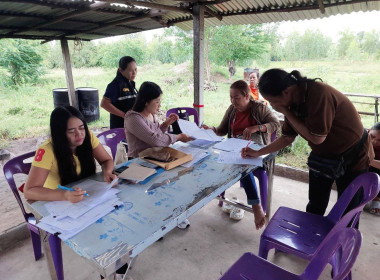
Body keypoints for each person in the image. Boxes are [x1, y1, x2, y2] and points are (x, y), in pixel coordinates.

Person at [242, 68, 372, 219]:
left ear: (286, 92)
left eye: (274, 101)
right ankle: (311, 238)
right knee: (315, 206)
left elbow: (317, 138)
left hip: (353, 153)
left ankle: (343, 241)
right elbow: (287, 137)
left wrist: (286, 112)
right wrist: (258, 152)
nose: (274, 106)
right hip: (323, 155)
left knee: (347, 211)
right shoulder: (291, 101)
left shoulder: (318, 94)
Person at [202, 80, 280, 229]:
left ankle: (256, 206)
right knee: (220, 159)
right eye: (231, 97)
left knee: (242, 163)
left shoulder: (258, 109)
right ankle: (213, 195)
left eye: (236, 97)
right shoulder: (232, 110)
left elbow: (275, 124)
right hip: (234, 150)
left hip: (258, 152)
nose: (233, 101)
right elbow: (221, 131)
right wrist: (210, 129)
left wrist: (257, 127)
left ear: (247, 96)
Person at [24, 105, 116, 202]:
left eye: (81, 128)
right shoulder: (47, 150)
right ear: (60, 134)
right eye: (71, 131)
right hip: (58, 201)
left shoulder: (88, 137)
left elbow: (106, 160)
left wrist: (107, 172)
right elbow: (29, 191)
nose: (79, 133)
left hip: (85, 196)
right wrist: (64, 195)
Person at [124, 81, 193, 159]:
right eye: (157, 102)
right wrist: (178, 137)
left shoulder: (151, 114)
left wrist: (165, 125)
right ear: (146, 102)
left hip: (153, 156)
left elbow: (156, 134)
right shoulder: (133, 118)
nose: (159, 105)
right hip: (137, 160)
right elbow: (154, 140)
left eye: (160, 101)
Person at [101, 56, 138, 129]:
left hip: (131, 125)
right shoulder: (115, 85)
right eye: (130, 70)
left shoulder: (131, 83)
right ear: (121, 70)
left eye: (136, 69)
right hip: (120, 127)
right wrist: (124, 115)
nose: (134, 73)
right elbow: (104, 104)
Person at [368, 123, 380, 215]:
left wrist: (368, 160)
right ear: (370, 130)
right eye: (372, 136)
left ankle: (376, 197)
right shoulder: (361, 136)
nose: (374, 141)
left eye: (379, 140)